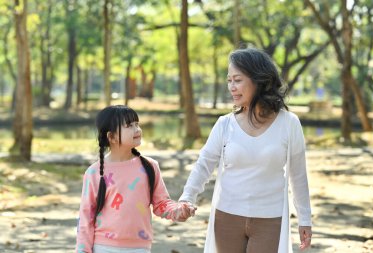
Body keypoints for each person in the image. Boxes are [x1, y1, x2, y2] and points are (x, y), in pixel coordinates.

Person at [179, 47, 312, 253]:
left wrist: (304, 219)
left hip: (270, 219)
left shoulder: (289, 123)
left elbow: (298, 175)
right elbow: (204, 164)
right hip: (227, 216)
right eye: (229, 80)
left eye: (238, 80)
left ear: (259, 80)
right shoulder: (224, 124)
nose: (232, 87)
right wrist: (187, 197)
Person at [76, 105, 196, 253]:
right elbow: (86, 217)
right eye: (129, 126)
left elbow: (161, 204)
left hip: (140, 247)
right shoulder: (94, 173)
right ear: (111, 137)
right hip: (104, 247)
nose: (137, 129)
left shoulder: (149, 167)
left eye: (137, 124)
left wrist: (179, 210)